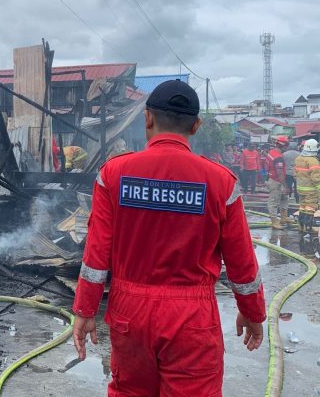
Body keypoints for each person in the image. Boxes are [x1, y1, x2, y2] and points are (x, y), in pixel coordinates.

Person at [72, 80, 265, 396]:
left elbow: (96, 255)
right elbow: (242, 263)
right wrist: (253, 312)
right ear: (196, 125)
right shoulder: (221, 183)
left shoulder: (112, 175)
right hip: (192, 319)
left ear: (147, 118)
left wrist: (85, 309)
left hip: (128, 315)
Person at [295, 139, 320, 233]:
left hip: (300, 188)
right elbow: (316, 178)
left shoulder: (298, 158)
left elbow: (295, 173)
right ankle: (308, 228)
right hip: (311, 189)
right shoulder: (313, 161)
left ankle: (301, 226)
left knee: (302, 206)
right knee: (310, 208)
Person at [266, 136, 290, 229]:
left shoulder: (271, 152)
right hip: (276, 181)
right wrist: (285, 186)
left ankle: (284, 218)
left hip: (271, 178)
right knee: (274, 201)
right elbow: (280, 173)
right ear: (283, 146)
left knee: (284, 198)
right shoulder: (278, 157)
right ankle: (274, 222)